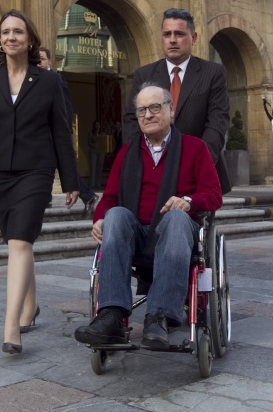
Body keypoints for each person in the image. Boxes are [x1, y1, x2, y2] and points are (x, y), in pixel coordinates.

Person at [0, 10, 79, 355]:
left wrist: (71, 180)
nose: (11, 37)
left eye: (18, 32)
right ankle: (30, 306)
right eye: (5, 32)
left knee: (20, 239)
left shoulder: (49, 81)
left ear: (29, 39)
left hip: (36, 171)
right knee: (17, 242)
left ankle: (11, 328)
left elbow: (61, 133)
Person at [74, 83, 222, 349]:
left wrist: (188, 201)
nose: (148, 114)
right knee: (116, 214)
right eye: (142, 110)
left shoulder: (194, 148)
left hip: (175, 236)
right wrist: (99, 218)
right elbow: (109, 197)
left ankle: (160, 316)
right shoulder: (127, 153)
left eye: (155, 107)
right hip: (138, 235)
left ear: (171, 110)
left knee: (176, 218)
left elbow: (214, 195)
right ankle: (111, 315)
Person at [122, 7, 231, 194]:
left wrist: (198, 164)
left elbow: (217, 122)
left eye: (179, 34)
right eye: (167, 34)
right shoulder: (145, 74)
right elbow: (132, 120)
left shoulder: (213, 73)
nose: (172, 40)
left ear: (193, 37)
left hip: (196, 175)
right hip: (151, 174)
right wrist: (142, 162)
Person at [38, 47, 98, 216]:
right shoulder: (33, 79)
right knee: (50, 164)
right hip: (42, 133)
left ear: (50, 61)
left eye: (42, 59)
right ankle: (48, 197)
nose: (39, 62)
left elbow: (65, 105)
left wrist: (64, 129)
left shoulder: (57, 78)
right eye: (37, 59)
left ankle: (87, 195)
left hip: (55, 133)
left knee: (62, 165)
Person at [88, 120, 105, 189]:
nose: (97, 126)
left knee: (99, 167)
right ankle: (92, 183)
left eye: (98, 124)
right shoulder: (90, 134)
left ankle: (98, 183)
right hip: (93, 151)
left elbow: (104, 142)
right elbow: (89, 143)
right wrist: (96, 144)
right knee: (93, 167)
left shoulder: (102, 134)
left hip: (101, 152)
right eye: (96, 124)